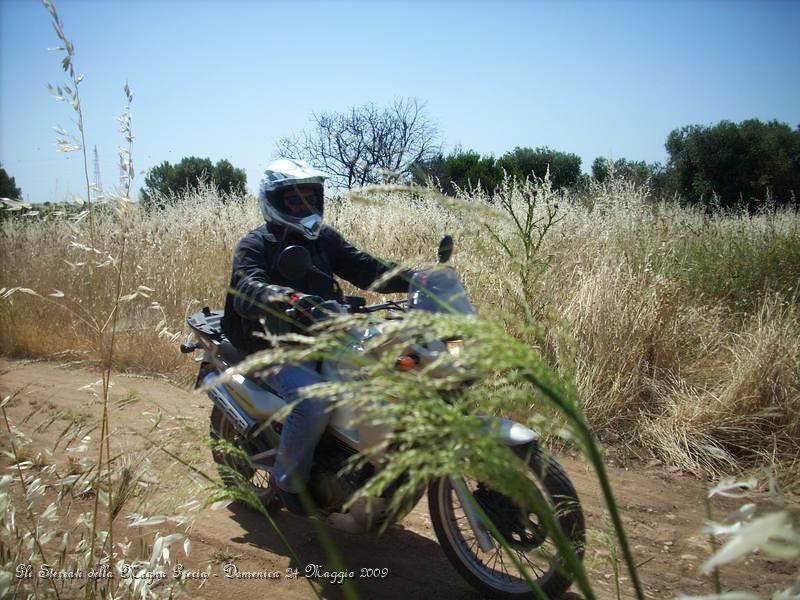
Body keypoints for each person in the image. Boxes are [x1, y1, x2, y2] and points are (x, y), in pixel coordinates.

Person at [221, 158, 411, 515]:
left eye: (310, 198)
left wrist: (416, 278)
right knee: (313, 402)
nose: (304, 207)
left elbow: (364, 267)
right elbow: (247, 286)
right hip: (270, 343)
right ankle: (289, 482)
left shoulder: (323, 239)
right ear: (274, 202)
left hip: (324, 335)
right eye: (294, 201)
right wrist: (283, 297)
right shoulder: (255, 244)